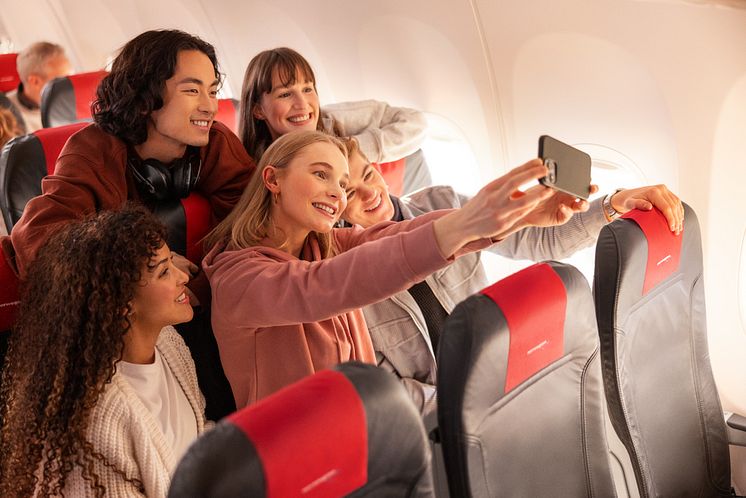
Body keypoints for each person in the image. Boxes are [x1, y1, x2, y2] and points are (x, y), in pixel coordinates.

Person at [201, 129, 605, 409]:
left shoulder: (322, 247)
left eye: (342, 184)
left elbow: (396, 236)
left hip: (369, 437)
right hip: (300, 460)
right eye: (321, 175)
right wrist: (468, 221)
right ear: (272, 179)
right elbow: (332, 284)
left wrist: (517, 216)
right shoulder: (239, 276)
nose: (336, 194)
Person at [1, 28, 254, 421]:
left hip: (191, 311)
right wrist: (148, 257)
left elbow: (253, 216)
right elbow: (40, 236)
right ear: (145, 99)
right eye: (192, 90)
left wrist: (208, 282)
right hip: (118, 326)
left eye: (212, 89)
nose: (210, 105)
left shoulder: (215, 143)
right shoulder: (93, 149)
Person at [338, 138, 684, 415]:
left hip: (507, 373)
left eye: (368, 175)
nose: (370, 194)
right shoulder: (344, 276)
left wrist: (614, 204)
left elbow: (539, 238)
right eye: (351, 192)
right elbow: (386, 388)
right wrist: (469, 400)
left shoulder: (439, 203)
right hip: (440, 421)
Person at [0, 206, 207, 498]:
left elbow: (195, 442)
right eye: (164, 271)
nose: (182, 277)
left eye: (172, 261)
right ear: (123, 302)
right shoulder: (100, 418)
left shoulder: (168, 345)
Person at [239, 47, 431, 195]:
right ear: (258, 110)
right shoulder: (256, 173)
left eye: (307, 89)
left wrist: (349, 149)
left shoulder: (333, 119)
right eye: (286, 94)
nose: (302, 104)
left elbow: (416, 123)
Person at [3, 41, 72, 133]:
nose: (68, 87)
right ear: (34, 81)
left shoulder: (71, 107)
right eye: (60, 81)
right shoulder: (6, 117)